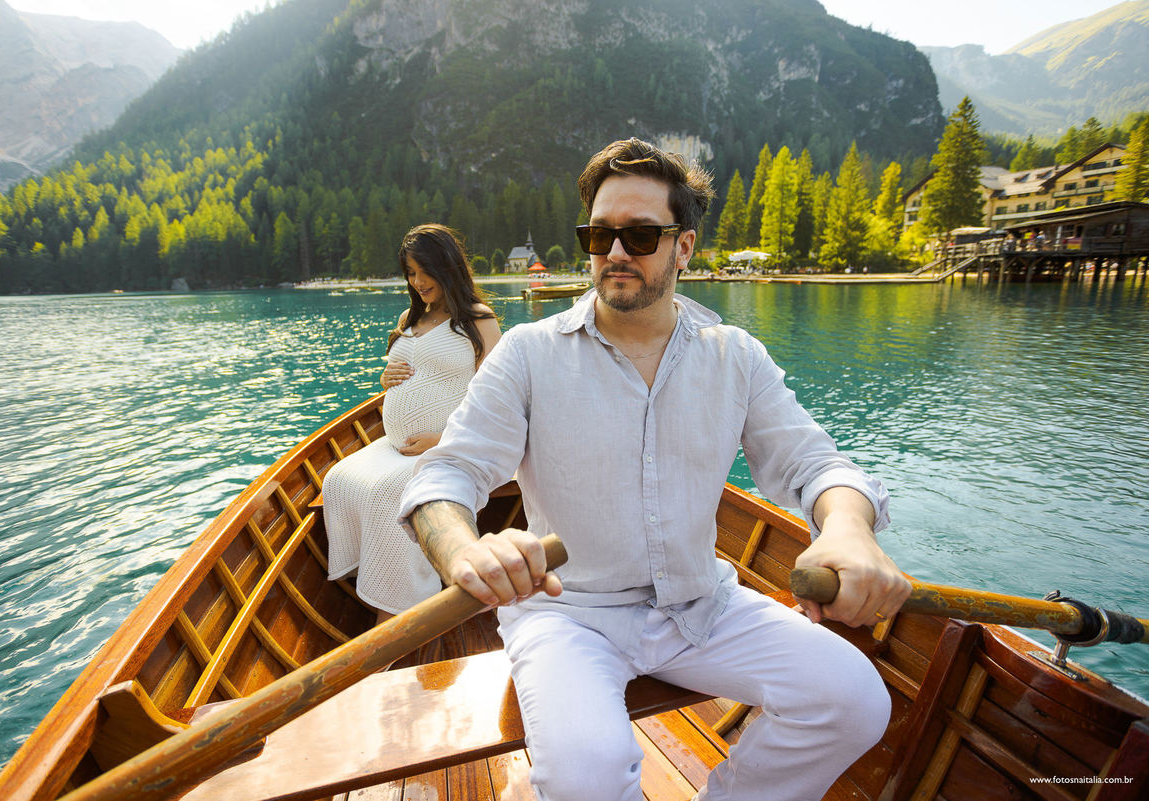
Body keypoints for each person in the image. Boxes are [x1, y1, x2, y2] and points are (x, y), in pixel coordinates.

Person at [398, 139, 912, 801]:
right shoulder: (528, 354)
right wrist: (463, 549)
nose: (615, 252)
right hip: (568, 612)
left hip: (706, 605)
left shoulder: (735, 358)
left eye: (640, 235)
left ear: (684, 247)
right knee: (588, 775)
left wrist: (848, 527)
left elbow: (814, 463)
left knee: (855, 701)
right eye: (599, 235)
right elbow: (446, 474)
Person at [323, 223, 500, 622]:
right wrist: (385, 379)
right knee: (336, 478)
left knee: (388, 493)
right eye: (410, 273)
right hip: (396, 446)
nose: (417, 282)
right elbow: (410, 371)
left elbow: (495, 399)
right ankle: (372, 586)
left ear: (448, 267)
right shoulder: (410, 315)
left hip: (450, 445)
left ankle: (402, 607)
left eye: (425, 271)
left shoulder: (478, 320)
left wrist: (442, 438)